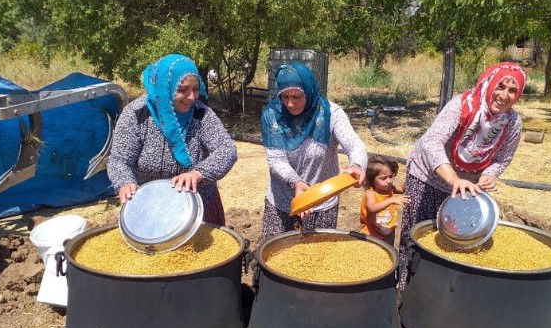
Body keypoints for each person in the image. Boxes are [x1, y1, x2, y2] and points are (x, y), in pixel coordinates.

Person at [398, 62, 527, 288]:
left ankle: (442, 291)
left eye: (512, 91)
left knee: (457, 240)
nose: (504, 95)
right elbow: (432, 141)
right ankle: (406, 289)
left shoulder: (512, 122)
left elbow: (503, 158)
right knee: (419, 239)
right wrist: (453, 179)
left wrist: (489, 174)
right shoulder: (463, 105)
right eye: (500, 86)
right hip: (428, 177)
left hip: (467, 189)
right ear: (489, 84)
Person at [107, 54, 237, 226]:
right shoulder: (137, 115)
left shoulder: (201, 114)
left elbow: (227, 150)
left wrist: (198, 173)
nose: (192, 97)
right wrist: (125, 182)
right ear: (164, 88)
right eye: (182, 90)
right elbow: (119, 160)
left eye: (196, 89)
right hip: (151, 207)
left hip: (199, 204)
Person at [260, 62, 367, 242]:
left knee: (316, 261)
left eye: (297, 96)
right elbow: (276, 158)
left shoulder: (330, 114)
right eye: (284, 97)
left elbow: (354, 144)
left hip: (321, 203)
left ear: (308, 90)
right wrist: (296, 182)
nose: (290, 103)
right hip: (282, 203)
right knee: (276, 258)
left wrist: (356, 164)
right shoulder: (272, 115)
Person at [360, 155, 410, 246]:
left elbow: (401, 189)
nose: (389, 181)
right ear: (371, 179)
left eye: (391, 177)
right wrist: (391, 200)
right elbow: (372, 208)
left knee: (388, 254)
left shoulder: (390, 188)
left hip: (389, 232)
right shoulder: (370, 193)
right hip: (372, 235)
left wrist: (411, 178)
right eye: (384, 178)